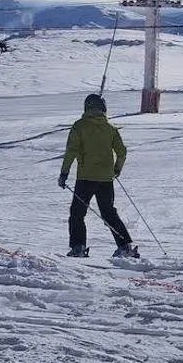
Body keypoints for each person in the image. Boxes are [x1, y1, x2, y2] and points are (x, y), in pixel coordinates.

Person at [58, 93, 138, 258]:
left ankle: (78, 248)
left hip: (85, 178)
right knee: (109, 213)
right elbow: (122, 152)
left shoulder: (79, 126)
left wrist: (64, 173)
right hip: (106, 179)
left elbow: (71, 151)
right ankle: (125, 246)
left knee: (77, 213)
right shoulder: (110, 128)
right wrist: (117, 169)